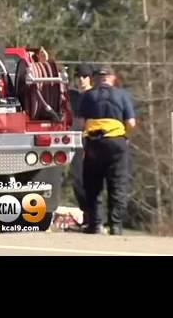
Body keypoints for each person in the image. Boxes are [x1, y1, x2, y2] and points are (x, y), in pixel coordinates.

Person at [77, 65, 136, 235]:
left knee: (92, 185)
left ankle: (95, 224)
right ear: (113, 78)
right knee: (117, 184)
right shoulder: (122, 95)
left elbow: (81, 123)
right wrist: (125, 136)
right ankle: (115, 226)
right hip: (116, 143)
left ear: (95, 79)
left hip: (94, 143)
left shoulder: (88, 96)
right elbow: (131, 123)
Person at [69, 63, 94, 229]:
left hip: (90, 140)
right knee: (77, 180)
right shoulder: (73, 95)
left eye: (84, 76)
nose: (81, 79)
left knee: (90, 180)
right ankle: (87, 216)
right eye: (78, 76)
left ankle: (93, 218)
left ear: (90, 78)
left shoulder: (94, 96)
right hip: (75, 141)